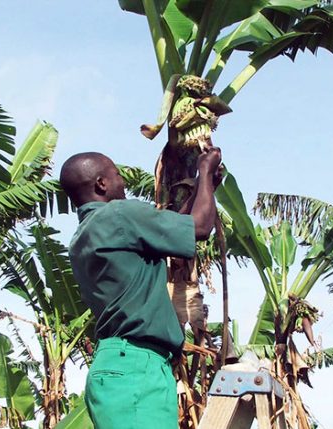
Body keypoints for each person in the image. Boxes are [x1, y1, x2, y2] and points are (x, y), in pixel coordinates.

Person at [60, 146, 222, 429]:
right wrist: (205, 169)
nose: (123, 182)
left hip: (117, 367)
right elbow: (198, 228)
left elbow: (174, 231)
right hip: (137, 366)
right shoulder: (119, 215)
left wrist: (202, 189)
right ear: (102, 183)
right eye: (118, 175)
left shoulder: (82, 238)